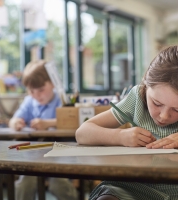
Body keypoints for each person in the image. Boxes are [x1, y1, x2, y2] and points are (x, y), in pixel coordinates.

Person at [76, 45, 178, 200]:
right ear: (146, 84)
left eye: (177, 110)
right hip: (134, 186)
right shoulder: (136, 97)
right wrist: (120, 136)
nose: (164, 116)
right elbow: (82, 133)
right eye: (157, 103)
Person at [9, 60, 78, 200]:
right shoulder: (29, 102)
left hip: (59, 156)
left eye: (41, 90)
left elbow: (73, 121)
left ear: (52, 83)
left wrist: (48, 123)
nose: (36, 95)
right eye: (31, 91)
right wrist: (16, 122)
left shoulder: (62, 100)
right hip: (34, 157)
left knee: (59, 184)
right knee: (25, 185)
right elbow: (12, 120)